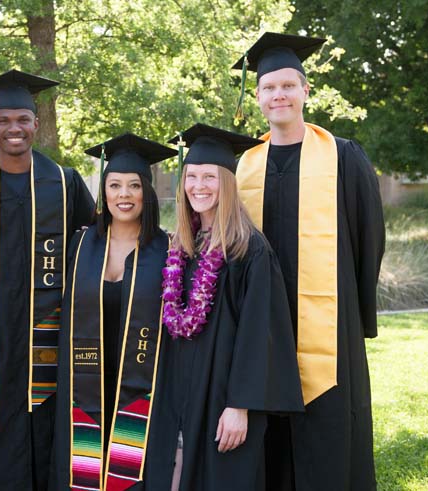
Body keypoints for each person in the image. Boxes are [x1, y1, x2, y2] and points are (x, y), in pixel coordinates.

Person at [232, 32, 386, 491]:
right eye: (268, 88)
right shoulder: (243, 165)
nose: (278, 95)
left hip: (328, 320)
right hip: (262, 321)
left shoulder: (342, 155)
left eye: (287, 86)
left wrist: (354, 312)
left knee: (330, 430)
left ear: (305, 91)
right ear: (258, 97)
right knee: (269, 431)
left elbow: (369, 236)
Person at [0, 69, 95, 491]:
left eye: (22, 119)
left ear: (36, 123)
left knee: (47, 441)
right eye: (3, 120)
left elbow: (96, 246)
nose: (14, 128)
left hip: (47, 341)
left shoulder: (65, 185)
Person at [143, 123, 304, 491]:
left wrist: (240, 406)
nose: (199, 186)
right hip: (180, 392)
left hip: (223, 398)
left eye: (210, 177)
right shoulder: (181, 247)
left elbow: (259, 334)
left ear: (227, 183)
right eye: (192, 176)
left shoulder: (249, 250)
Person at [49, 133, 177, 491]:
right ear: (103, 192)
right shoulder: (80, 245)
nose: (124, 194)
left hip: (141, 390)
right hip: (83, 385)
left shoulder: (169, 251)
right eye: (115, 185)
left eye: (134, 186)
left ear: (146, 193)